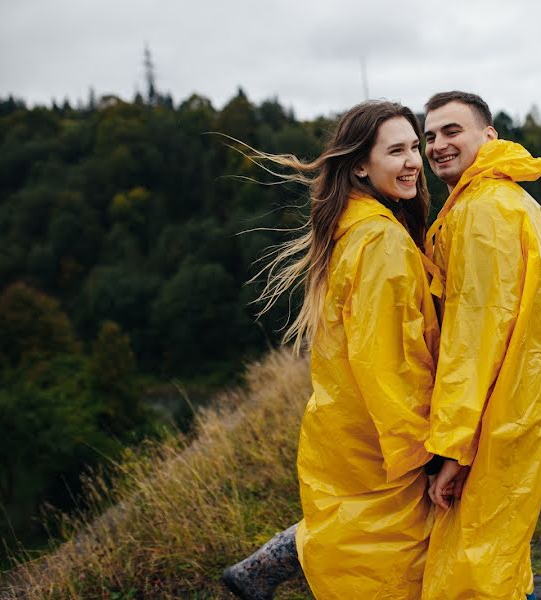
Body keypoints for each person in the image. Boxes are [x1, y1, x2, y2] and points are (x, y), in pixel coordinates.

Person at [221, 100, 441, 600]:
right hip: (382, 435)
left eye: (414, 147)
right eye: (396, 151)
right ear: (360, 164)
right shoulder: (380, 241)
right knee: (387, 566)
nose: (412, 162)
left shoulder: (353, 227)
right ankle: (263, 567)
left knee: (352, 532)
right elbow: (388, 363)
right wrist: (425, 455)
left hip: (347, 424)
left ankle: (261, 568)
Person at [421, 91, 541, 600]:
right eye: (430, 135)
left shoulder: (485, 213)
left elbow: (475, 340)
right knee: (494, 555)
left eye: (452, 131)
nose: (437, 144)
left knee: (477, 570)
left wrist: (453, 450)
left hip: (493, 413)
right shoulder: (501, 200)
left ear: (490, 136)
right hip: (512, 403)